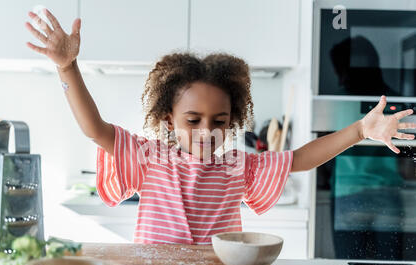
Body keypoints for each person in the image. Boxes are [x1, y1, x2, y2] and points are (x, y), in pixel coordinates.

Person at [25, 9, 416, 244]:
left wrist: (360, 131)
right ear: (168, 120)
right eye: (192, 120)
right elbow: (95, 129)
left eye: (220, 121)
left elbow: (298, 158)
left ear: (233, 122)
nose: (205, 130)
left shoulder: (236, 166)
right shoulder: (149, 157)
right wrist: (66, 67)